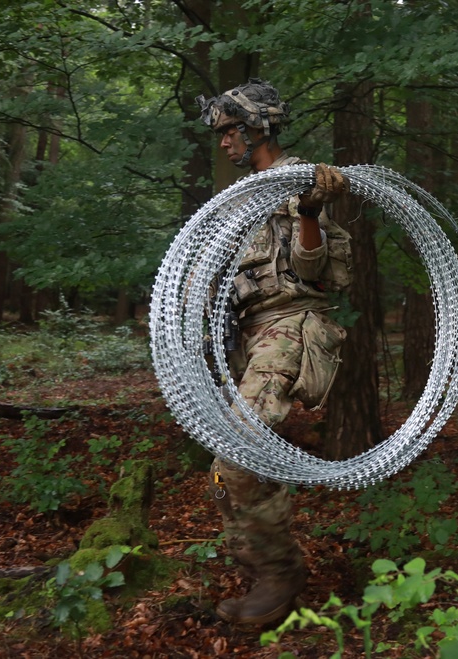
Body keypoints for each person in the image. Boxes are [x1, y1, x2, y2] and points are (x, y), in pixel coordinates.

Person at [194, 78, 351, 625]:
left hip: (288, 328)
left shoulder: (304, 183)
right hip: (245, 336)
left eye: (229, 131)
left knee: (234, 456)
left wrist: (309, 211)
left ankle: (281, 574)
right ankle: (264, 572)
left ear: (256, 127)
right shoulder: (236, 199)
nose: (223, 143)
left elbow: (314, 271)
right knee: (223, 469)